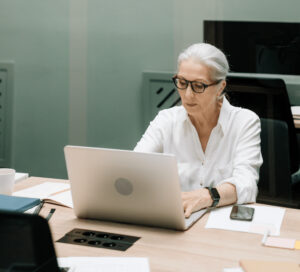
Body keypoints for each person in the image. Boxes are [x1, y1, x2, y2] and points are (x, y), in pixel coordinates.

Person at [134, 43, 263, 218]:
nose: (187, 95)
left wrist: (207, 196)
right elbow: (134, 167)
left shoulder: (244, 122)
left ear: (220, 87)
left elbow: (246, 184)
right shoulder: (166, 120)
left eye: (198, 86)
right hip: (178, 217)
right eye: (182, 83)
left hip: (220, 222)